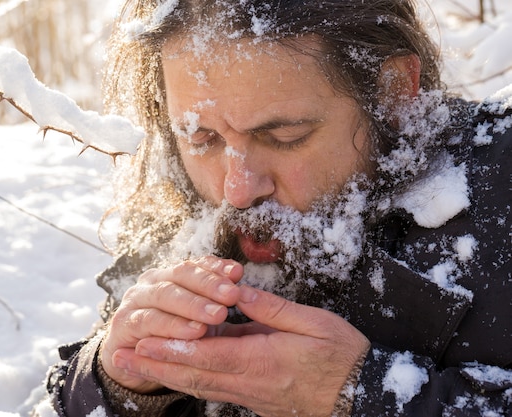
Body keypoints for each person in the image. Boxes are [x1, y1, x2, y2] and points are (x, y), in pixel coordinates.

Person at [34, 0, 512, 416]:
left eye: (283, 137)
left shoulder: (499, 190)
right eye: (202, 139)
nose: (236, 190)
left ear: (391, 94)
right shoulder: (186, 207)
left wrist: (361, 396)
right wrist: (116, 381)